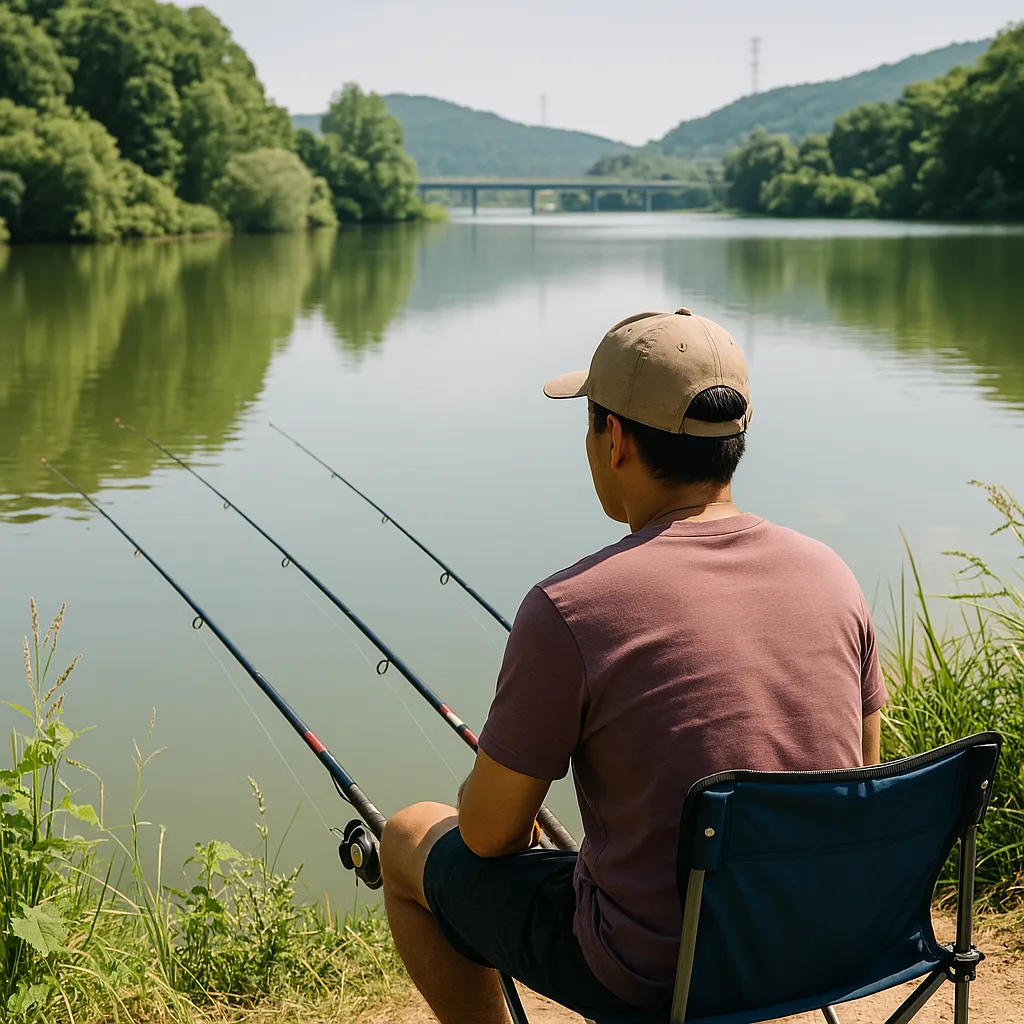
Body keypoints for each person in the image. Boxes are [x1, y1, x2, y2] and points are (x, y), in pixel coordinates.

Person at [379, 307, 886, 1024]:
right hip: (823, 944)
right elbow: (860, 779)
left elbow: (492, 836)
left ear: (612, 438)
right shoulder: (832, 575)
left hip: (654, 975)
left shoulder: (570, 607)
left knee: (406, 837)